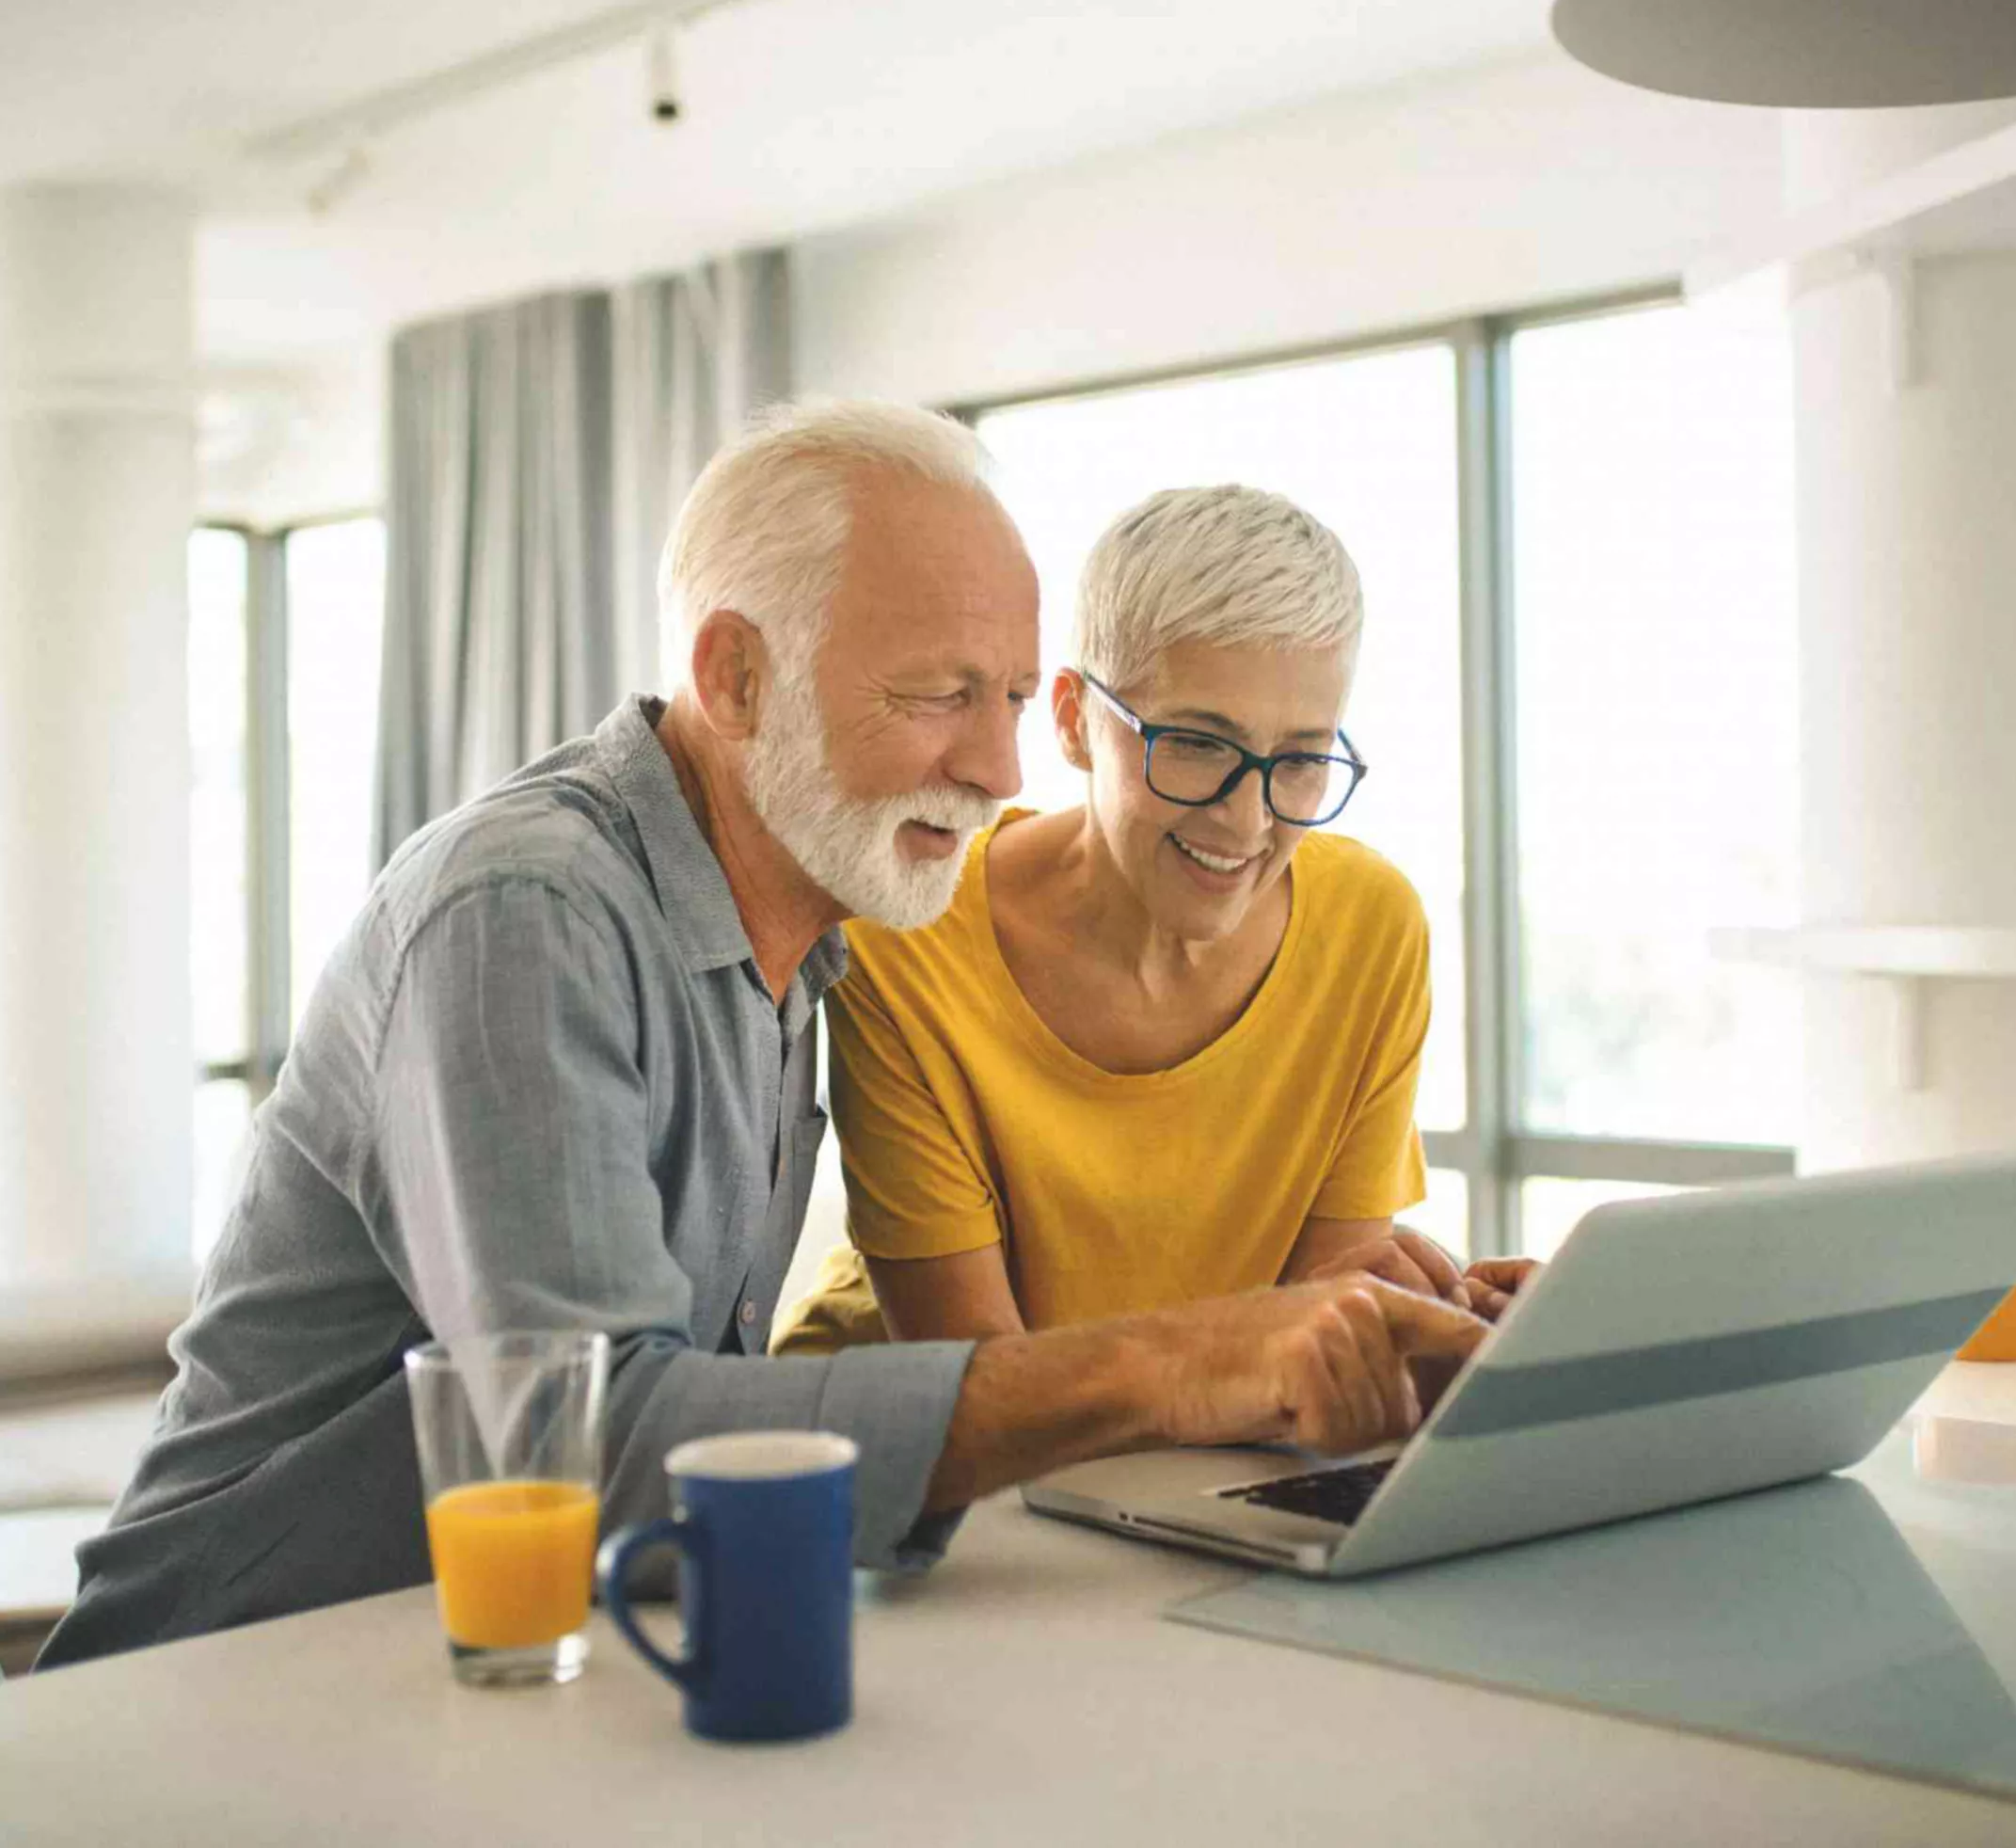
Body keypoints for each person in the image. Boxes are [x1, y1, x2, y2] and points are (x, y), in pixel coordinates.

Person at [39, 404, 1484, 1669]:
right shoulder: (528, 912)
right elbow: (595, 1449)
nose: (994, 771)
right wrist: (1176, 1363)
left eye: (1000, 699)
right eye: (934, 696)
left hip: (541, 1664)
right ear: (734, 678)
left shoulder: (813, 933)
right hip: (243, 1693)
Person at [774, 484, 1532, 1372]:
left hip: (1187, 1463)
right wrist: (1285, 1349)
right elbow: (973, 1391)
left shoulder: (1371, 929)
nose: (1248, 823)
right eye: (1198, 744)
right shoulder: (911, 931)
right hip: (902, 1472)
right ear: (1073, 720)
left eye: (1299, 760)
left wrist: (1455, 1335)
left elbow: (1315, 1349)